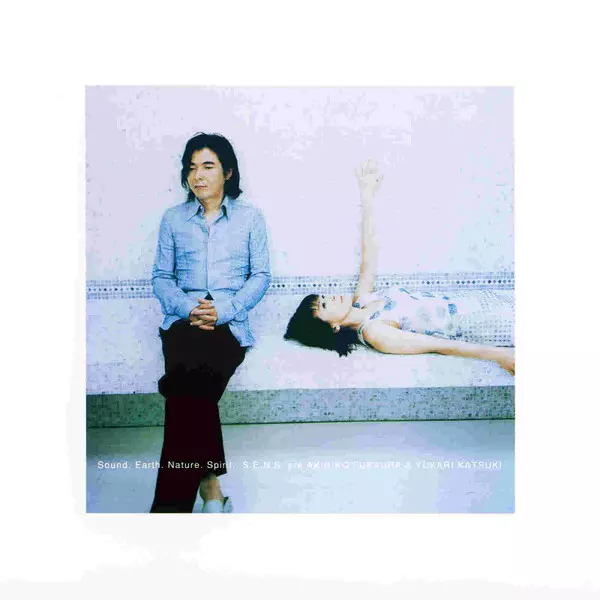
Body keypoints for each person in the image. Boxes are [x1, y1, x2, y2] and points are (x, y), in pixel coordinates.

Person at [285, 159, 515, 375]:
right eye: (325, 304)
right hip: (479, 324)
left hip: (476, 300)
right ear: (333, 327)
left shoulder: (362, 300)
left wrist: (367, 196)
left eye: (324, 296)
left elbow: (369, 254)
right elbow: (437, 345)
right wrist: (499, 355)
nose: (331, 297)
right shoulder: (373, 331)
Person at [150, 133, 271, 513]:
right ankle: (212, 492)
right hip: (182, 323)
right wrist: (189, 309)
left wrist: (225, 310)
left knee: (182, 386)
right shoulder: (173, 219)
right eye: (191, 168)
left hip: (229, 326)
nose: (197, 176)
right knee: (193, 385)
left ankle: (174, 511)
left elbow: (261, 276)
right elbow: (161, 278)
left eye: (207, 166)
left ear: (228, 172)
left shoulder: (250, 218)